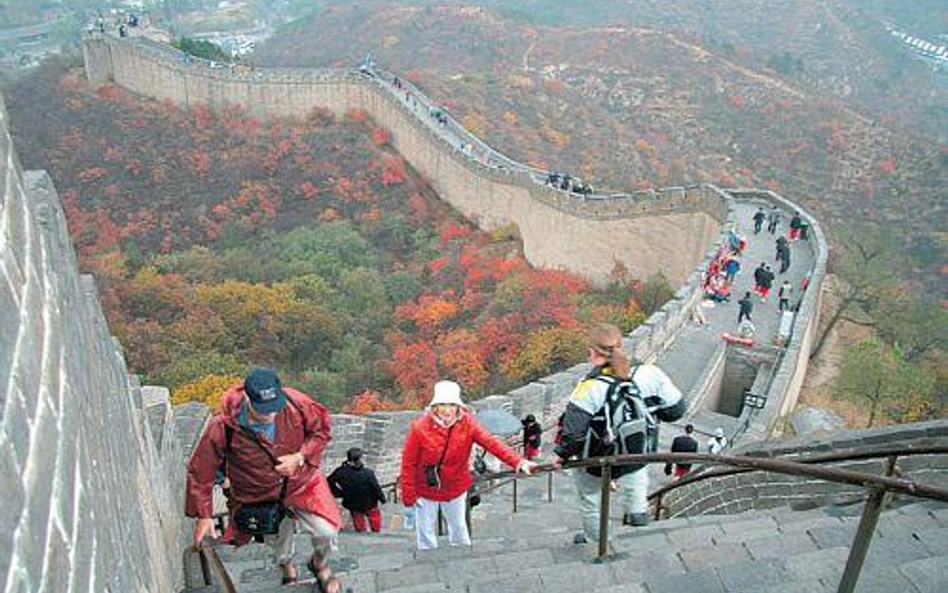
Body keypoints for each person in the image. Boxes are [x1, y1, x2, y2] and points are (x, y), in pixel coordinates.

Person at [186, 369, 343, 592]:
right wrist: (204, 514)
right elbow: (201, 469)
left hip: (301, 484)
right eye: (263, 409)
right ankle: (287, 566)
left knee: (327, 531)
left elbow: (321, 432)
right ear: (248, 398)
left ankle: (319, 563)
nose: (270, 414)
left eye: (274, 407)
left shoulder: (297, 405)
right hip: (259, 493)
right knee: (277, 540)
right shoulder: (223, 427)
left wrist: (299, 457)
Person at [553, 324, 684, 543]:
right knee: (636, 478)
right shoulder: (650, 373)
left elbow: (574, 435)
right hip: (638, 452)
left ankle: (597, 540)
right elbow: (676, 410)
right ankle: (637, 520)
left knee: (591, 499)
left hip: (597, 460)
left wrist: (561, 456)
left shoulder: (588, 388)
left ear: (592, 352)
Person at [400, 380, 535, 550]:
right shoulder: (420, 428)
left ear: (458, 406)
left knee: (458, 528)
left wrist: (518, 461)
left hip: (455, 487)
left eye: (451, 404)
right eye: (442, 405)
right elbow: (408, 464)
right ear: (435, 407)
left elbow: (491, 443)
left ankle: (463, 556)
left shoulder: (468, 424)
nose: (447, 410)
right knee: (425, 532)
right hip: (426, 488)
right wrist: (408, 496)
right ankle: (427, 561)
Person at [328, 447, 387, 533]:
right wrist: (382, 499)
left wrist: (339, 493)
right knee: (374, 518)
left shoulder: (340, 472)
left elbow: (329, 481)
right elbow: (376, 487)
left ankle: (361, 535)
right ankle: (376, 534)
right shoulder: (368, 473)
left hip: (353, 502)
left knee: (358, 521)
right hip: (370, 502)